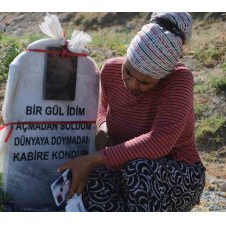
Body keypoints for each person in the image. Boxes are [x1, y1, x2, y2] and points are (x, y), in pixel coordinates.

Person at [58, 12, 205, 212]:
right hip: (124, 167)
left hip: (178, 174)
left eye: (145, 82)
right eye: (128, 71)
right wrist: (103, 128)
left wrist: (95, 158)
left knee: (139, 169)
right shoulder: (110, 70)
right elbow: (103, 109)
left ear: (162, 77)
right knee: (89, 183)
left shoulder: (179, 80)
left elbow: (158, 142)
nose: (132, 84)